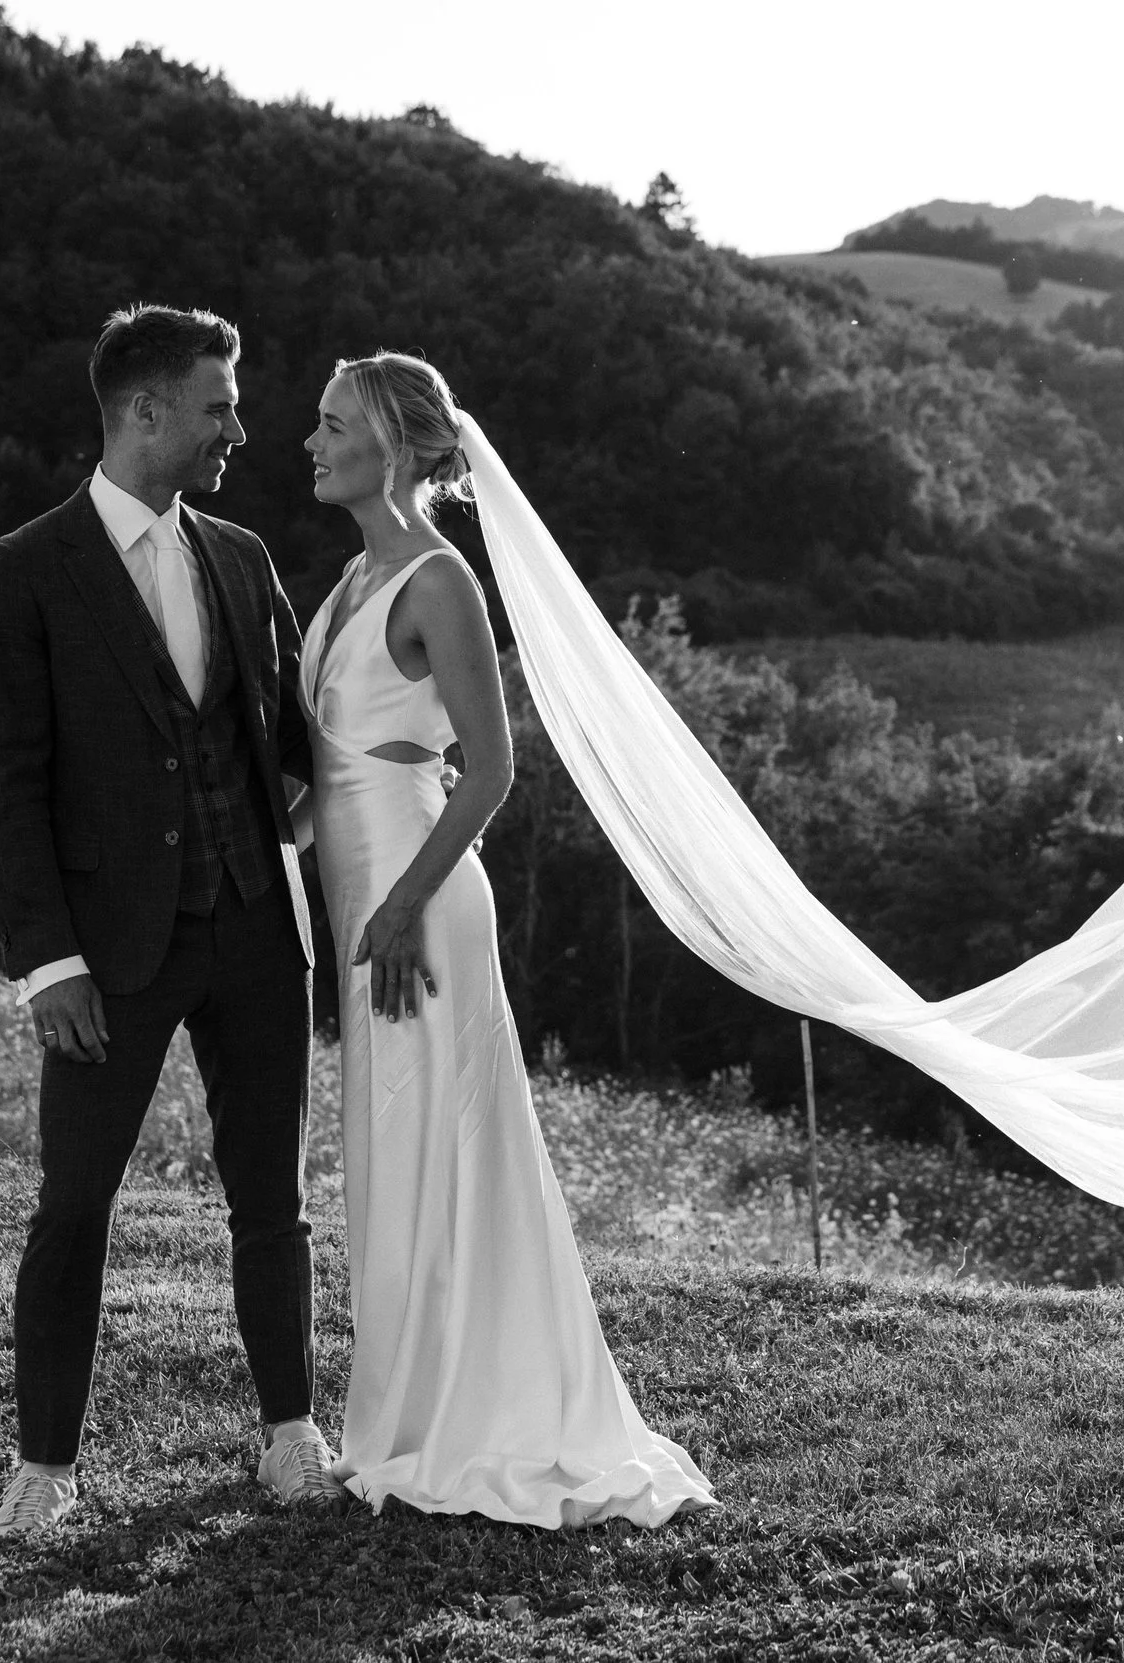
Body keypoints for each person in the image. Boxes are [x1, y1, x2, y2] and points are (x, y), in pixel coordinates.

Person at [298, 352, 713, 1526]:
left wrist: (394, 908)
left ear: (394, 447)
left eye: (333, 428)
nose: (312, 446)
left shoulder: (438, 582)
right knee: (393, 1145)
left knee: (445, 1141)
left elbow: (490, 773)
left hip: (418, 896)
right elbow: (328, 766)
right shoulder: (345, 580)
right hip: (355, 886)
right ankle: (407, 1410)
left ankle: (479, 1415)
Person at [0, 304, 344, 1540]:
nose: (239, 427)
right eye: (218, 405)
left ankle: (293, 1435)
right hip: (103, 960)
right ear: (144, 413)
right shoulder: (22, 570)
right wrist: (47, 961)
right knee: (73, 1205)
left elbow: (289, 746)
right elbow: (6, 785)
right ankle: (44, 1467)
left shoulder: (240, 556)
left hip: (250, 936)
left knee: (268, 1199)